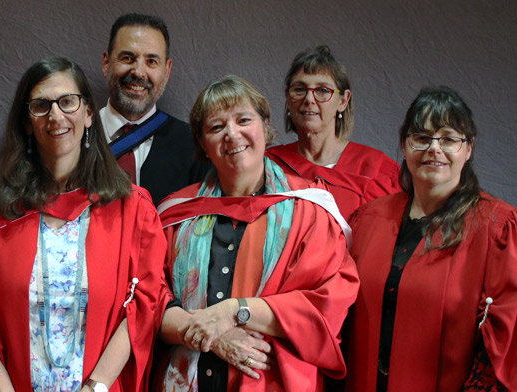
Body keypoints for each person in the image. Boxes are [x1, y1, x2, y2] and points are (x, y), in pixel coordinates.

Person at [0, 57, 170, 392]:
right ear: (27, 121)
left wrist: (95, 387)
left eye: (67, 102)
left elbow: (145, 303)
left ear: (87, 114)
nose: (55, 115)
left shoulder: (132, 208)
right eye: (41, 105)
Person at [155, 75, 359, 391]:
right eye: (216, 127)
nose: (232, 134)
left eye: (243, 120)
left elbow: (328, 303)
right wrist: (215, 336)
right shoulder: (174, 215)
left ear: (265, 126)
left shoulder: (311, 211)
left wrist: (235, 312)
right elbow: (149, 303)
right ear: (203, 144)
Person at [344, 87, 516, 391]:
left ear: (468, 149)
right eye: (422, 137)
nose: (433, 148)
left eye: (448, 138)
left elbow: (505, 345)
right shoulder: (367, 220)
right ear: (405, 145)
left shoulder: (496, 228)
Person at [265, 45, 399, 217]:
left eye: (322, 90)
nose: (309, 99)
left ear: (343, 101)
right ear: (288, 98)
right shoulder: (269, 165)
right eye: (299, 89)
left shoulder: (378, 169)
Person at [100, 13, 209, 205]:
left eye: (151, 61)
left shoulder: (194, 147)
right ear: (106, 63)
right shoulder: (74, 139)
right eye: (127, 58)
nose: (139, 72)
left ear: (166, 71)